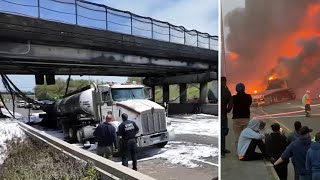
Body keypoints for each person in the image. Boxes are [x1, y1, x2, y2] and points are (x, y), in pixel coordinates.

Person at [232, 83, 252, 147]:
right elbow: (249, 104)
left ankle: (239, 152)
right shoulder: (248, 96)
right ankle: (245, 151)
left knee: (237, 136)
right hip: (246, 118)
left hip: (236, 119)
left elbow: (229, 107)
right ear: (244, 89)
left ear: (236, 89)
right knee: (246, 136)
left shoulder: (234, 98)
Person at [221, 76, 233, 158]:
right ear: (224, 82)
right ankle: (222, 151)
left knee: (222, 132)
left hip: (221, 115)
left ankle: (222, 149)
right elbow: (231, 100)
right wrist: (228, 110)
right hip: (223, 115)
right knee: (223, 132)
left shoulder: (224, 89)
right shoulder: (225, 90)